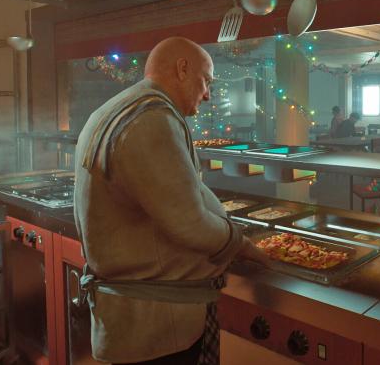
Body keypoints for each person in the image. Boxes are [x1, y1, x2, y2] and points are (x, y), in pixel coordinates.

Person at [74, 37, 270, 364]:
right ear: (182, 69)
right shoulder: (150, 118)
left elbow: (180, 194)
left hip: (139, 317)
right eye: (206, 80)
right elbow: (189, 224)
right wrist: (240, 244)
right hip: (156, 328)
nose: (207, 94)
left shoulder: (121, 107)